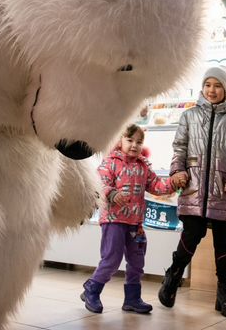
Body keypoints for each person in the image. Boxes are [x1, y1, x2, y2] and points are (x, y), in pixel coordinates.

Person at [158, 65, 226, 318]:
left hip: (222, 192)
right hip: (193, 189)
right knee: (191, 235)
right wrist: (177, 172)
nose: (212, 90)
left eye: (218, 85)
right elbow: (179, 149)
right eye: (208, 84)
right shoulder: (189, 117)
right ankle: (173, 276)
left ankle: (225, 293)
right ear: (202, 87)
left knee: (224, 244)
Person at [80, 124, 186, 314]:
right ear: (119, 141)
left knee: (137, 262)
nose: (134, 145)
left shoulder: (143, 166)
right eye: (129, 140)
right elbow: (100, 183)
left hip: (135, 225)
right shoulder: (110, 162)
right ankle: (92, 290)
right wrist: (112, 194)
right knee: (111, 259)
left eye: (139, 142)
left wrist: (173, 183)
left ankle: (132, 298)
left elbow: (157, 186)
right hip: (114, 220)